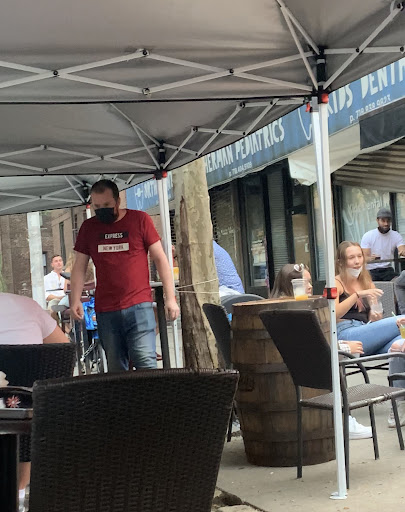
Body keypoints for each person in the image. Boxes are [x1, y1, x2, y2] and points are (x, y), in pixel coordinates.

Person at [70, 179, 179, 372]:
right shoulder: (89, 228)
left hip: (139, 305)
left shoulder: (139, 220)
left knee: (146, 363)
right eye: (97, 207)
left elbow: (160, 258)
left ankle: (150, 394)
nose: (101, 210)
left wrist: (170, 298)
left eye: (106, 205)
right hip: (106, 309)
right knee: (116, 368)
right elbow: (79, 266)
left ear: (117, 201)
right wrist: (75, 299)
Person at [271, 263, 371, 439]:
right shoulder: (298, 310)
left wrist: (340, 345)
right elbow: (310, 347)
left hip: (292, 372)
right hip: (309, 371)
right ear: (292, 285)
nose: (311, 286)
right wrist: (343, 348)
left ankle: (343, 418)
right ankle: (344, 420)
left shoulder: (276, 308)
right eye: (305, 283)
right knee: (338, 361)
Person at [0, 292, 67, 511]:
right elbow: (63, 350)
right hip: (25, 416)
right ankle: (19, 493)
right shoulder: (27, 306)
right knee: (27, 404)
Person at [334, 241, 405, 426]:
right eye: (351, 257)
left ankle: (398, 407)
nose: (357, 261)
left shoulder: (366, 280)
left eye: (359, 256)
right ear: (341, 261)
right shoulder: (336, 283)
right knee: (403, 319)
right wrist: (357, 295)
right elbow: (332, 314)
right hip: (347, 335)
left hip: (366, 333)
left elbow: (375, 315)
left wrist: (375, 314)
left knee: (400, 345)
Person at [360, 208, 405, 281]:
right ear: (377, 220)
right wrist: (371, 258)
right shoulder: (368, 235)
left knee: (399, 282)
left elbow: (402, 249)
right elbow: (363, 258)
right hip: (371, 270)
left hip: (387, 270)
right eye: (383, 221)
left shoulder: (396, 235)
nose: (386, 224)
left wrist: (402, 252)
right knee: (369, 283)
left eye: (388, 221)